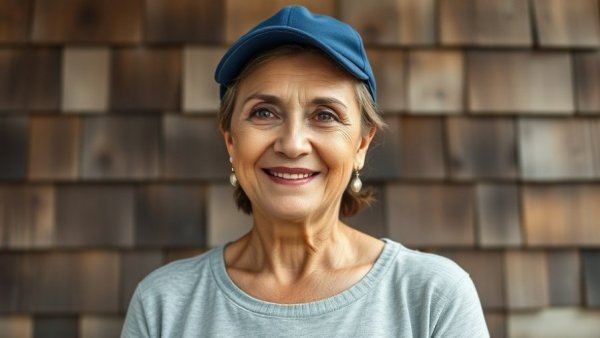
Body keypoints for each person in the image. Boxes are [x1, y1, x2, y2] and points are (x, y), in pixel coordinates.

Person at [122, 6, 489, 338]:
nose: (293, 143)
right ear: (231, 140)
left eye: (325, 115)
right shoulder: (164, 305)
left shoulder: (431, 298)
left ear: (361, 144)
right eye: (264, 112)